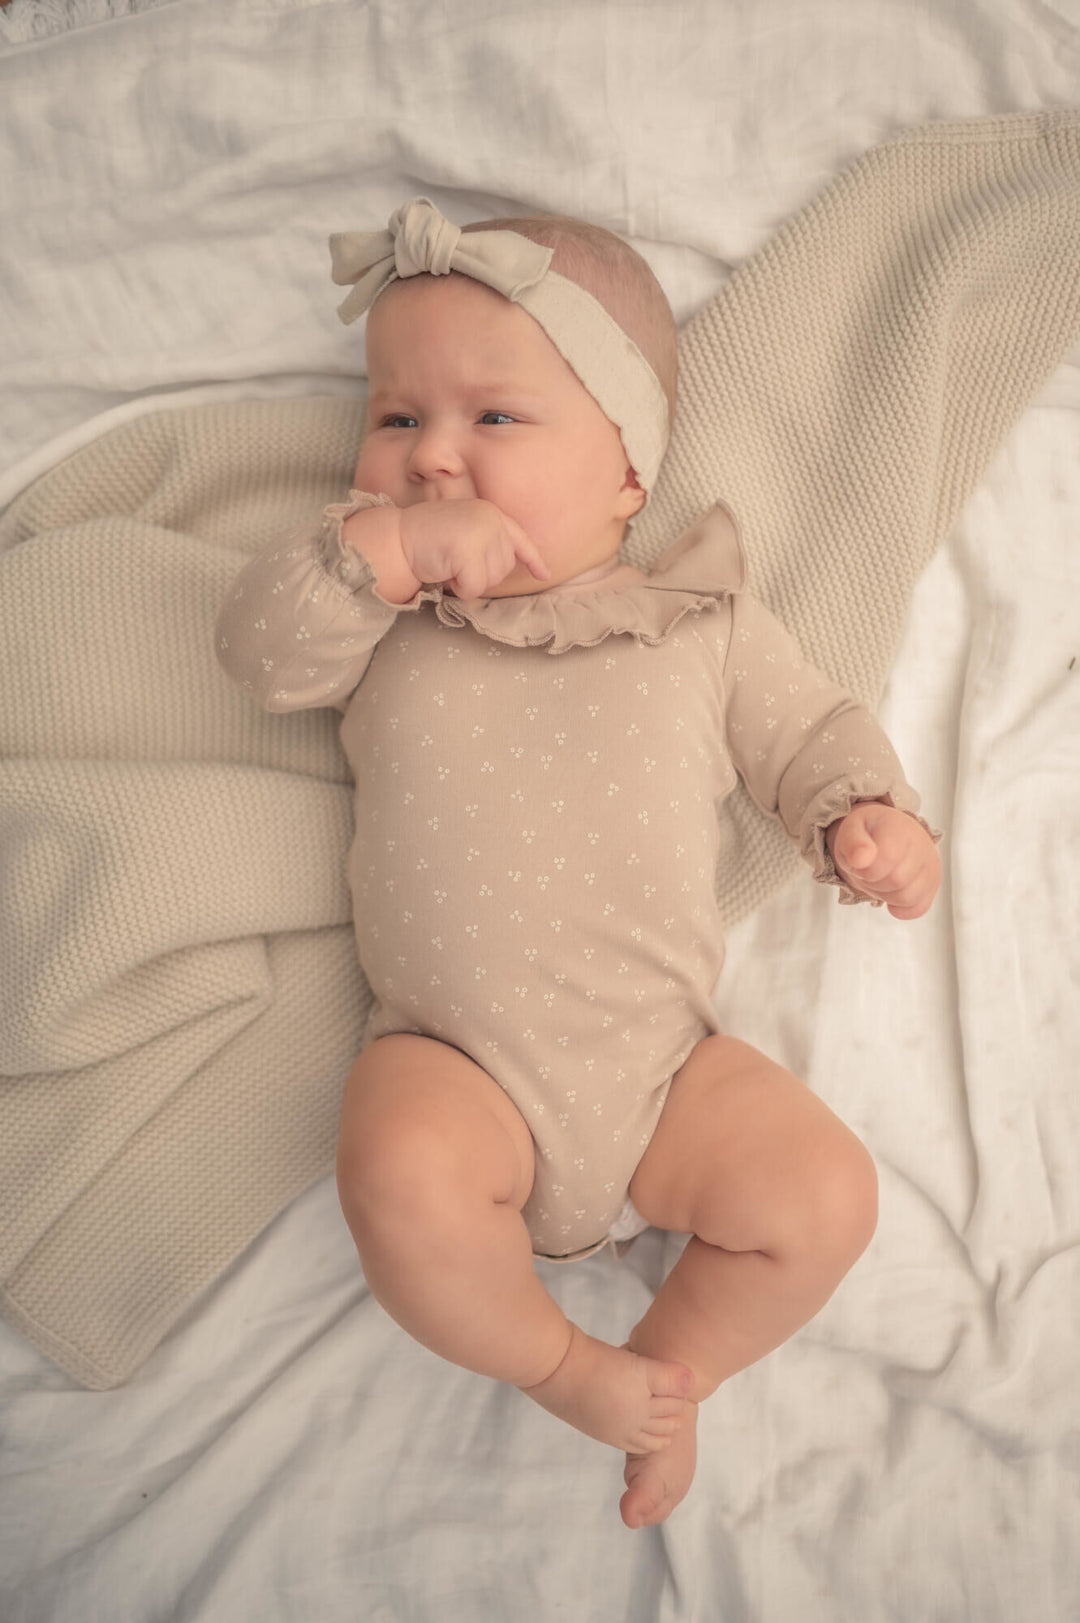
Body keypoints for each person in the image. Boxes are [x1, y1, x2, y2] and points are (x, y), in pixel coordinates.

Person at [214, 198, 942, 1529]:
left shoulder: (697, 625)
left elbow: (808, 731)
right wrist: (377, 557)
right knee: (395, 1172)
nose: (434, 458)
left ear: (624, 469)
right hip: (454, 1064)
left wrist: (866, 817)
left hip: (666, 1072)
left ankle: (668, 1380)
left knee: (825, 1196)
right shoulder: (395, 623)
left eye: (493, 418)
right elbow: (258, 654)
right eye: (396, 418)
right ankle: (563, 1367)